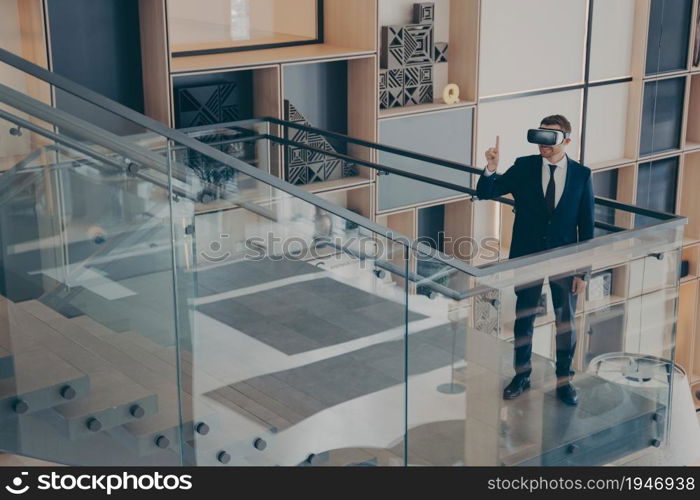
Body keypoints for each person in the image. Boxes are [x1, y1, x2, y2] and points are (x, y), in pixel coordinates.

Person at [476, 114, 595, 406]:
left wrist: (584, 272)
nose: (543, 143)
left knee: (565, 322)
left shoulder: (582, 175)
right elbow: (486, 192)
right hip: (527, 256)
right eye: (540, 135)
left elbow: (587, 227)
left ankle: (564, 381)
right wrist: (491, 168)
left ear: (566, 140)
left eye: (550, 137)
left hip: (565, 261)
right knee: (524, 318)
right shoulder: (525, 166)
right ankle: (522, 375)